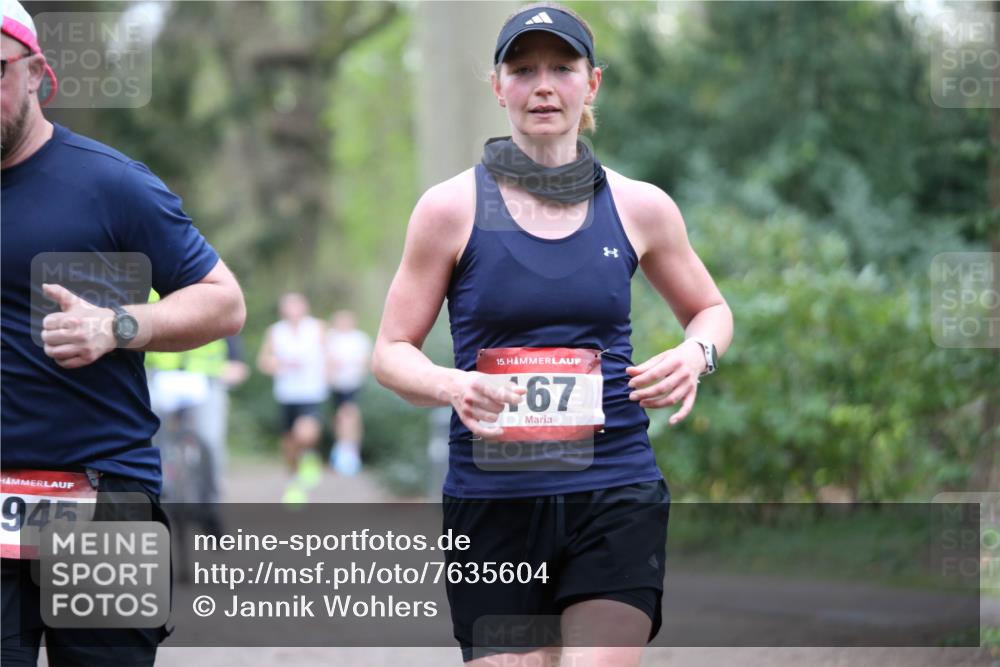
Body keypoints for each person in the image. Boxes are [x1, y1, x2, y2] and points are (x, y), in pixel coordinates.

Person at [372, 4, 733, 666]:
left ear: (591, 84)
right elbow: (390, 352)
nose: (543, 85)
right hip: (494, 502)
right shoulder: (448, 209)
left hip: (613, 487)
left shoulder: (639, 206)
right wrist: (452, 382)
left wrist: (695, 353)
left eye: (562, 68)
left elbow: (710, 310)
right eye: (524, 68)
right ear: (498, 86)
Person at [0, 1, 246, 664]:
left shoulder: (110, 186)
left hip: (103, 496)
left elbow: (224, 303)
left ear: (36, 73)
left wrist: (119, 323)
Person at [257, 292, 327, 502]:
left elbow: (330, 353)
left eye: (297, 306)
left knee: (305, 433)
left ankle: (309, 455)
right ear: (282, 310)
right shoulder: (275, 332)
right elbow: (264, 361)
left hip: (312, 391)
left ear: (305, 308)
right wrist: (276, 365)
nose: (293, 311)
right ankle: (294, 480)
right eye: (288, 307)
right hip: (287, 393)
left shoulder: (318, 328)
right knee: (289, 442)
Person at [325, 309, 372, 475]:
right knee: (339, 418)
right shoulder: (330, 338)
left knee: (350, 415)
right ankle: (341, 449)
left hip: (353, 384)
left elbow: (366, 362)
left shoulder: (360, 339)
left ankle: (350, 450)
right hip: (335, 385)